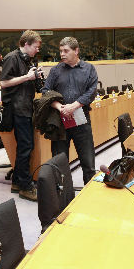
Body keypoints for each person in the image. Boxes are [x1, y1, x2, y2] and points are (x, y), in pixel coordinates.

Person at [41, 37, 98, 184]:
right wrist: (60, 107)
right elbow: (46, 92)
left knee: (88, 162)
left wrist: (74, 105)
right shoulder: (55, 71)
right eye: (60, 51)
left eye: (66, 51)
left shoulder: (89, 69)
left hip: (81, 119)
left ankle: (89, 195)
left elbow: (91, 92)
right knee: (60, 164)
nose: (62, 54)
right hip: (60, 122)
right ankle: (64, 196)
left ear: (76, 51)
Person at [0, 30, 42, 201]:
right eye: (36, 47)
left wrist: (35, 77)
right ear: (26, 44)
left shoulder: (29, 59)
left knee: (25, 147)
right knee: (26, 147)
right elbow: (3, 82)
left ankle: (18, 181)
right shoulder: (12, 57)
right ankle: (25, 187)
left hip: (26, 106)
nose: (37, 50)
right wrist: (27, 77)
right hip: (17, 109)